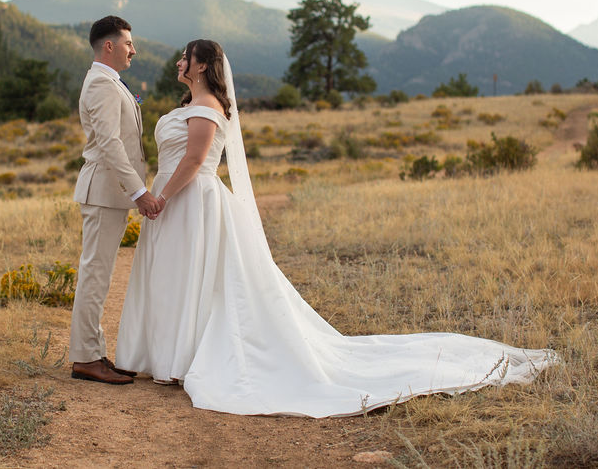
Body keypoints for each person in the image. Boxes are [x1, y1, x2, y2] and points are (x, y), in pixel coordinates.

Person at [116, 39, 559, 417]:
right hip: (173, 201)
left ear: (203, 66)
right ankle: (170, 356)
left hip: (192, 201)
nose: (178, 62)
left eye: (185, 57)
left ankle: (184, 358)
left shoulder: (209, 106)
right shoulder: (191, 104)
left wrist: (162, 196)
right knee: (178, 278)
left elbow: (195, 161)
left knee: (197, 278)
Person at [69, 16, 162, 385]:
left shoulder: (109, 82)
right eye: (128, 44)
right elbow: (109, 144)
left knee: (99, 274)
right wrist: (138, 192)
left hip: (108, 193)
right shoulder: (102, 84)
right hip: (104, 192)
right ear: (109, 45)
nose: (133, 50)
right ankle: (86, 359)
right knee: (95, 274)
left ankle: (92, 353)